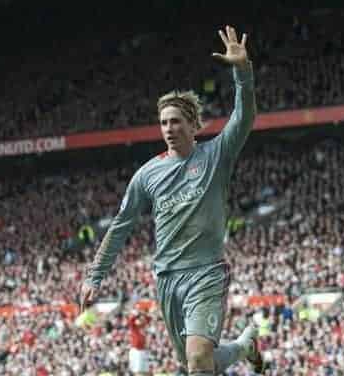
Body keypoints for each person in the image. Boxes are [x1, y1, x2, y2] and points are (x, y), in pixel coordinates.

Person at [80, 25, 266, 375]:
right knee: (195, 364)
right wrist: (95, 276)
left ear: (193, 124)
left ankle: (241, 348)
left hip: (206, 272)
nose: (168, 128)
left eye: (176, 121)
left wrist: (242, 71)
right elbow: (120, 226)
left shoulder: (216, 155)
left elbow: (244, 117)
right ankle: (244, 347)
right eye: (164, 122)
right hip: (167, 279)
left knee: (197, 360)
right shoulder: (146, 175)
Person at [128, 309, 151, 376]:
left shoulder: (143, 325)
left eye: (141, 319)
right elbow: (131, 320)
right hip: (136, 351)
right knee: (138, 371)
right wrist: (137, 314)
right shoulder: (134, 327)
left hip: (143, 350)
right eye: (139, 319)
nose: (141, 320)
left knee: (145, 371)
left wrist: (143, 314)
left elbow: (148, 318)